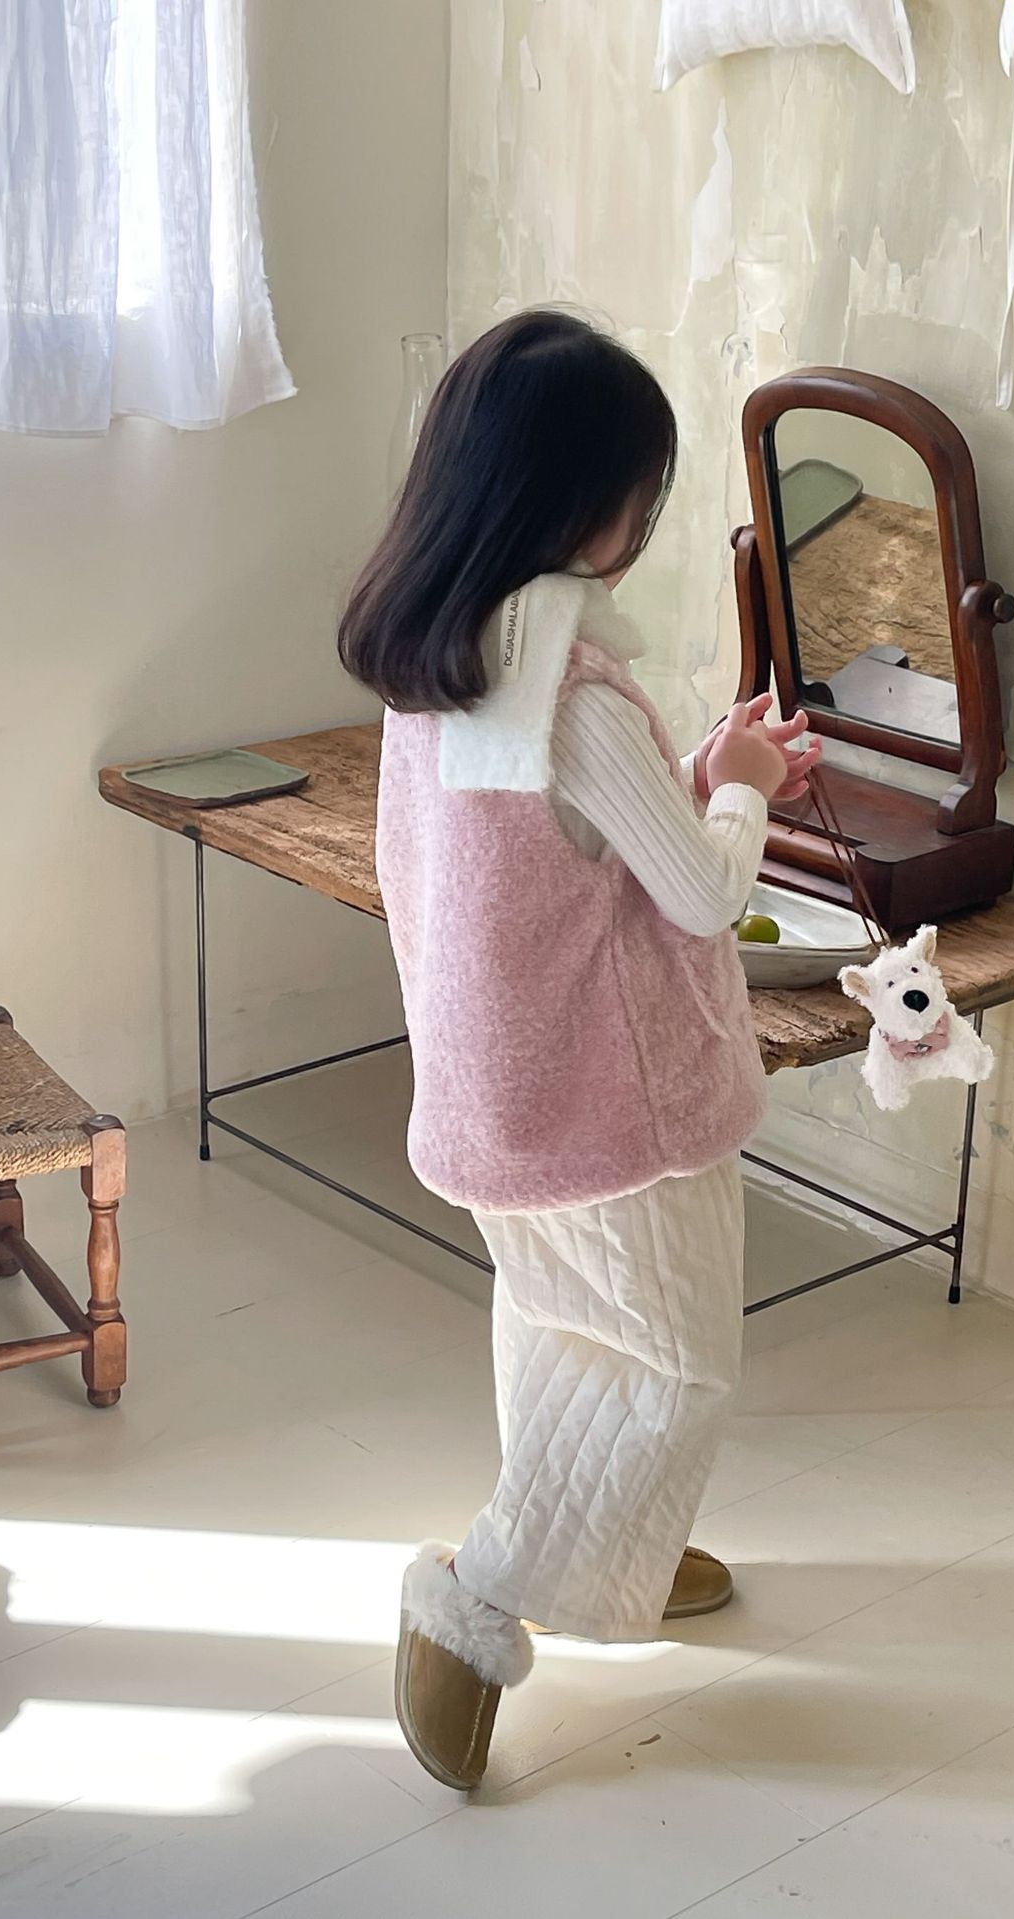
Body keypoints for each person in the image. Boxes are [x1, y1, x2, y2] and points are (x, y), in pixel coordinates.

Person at [338, 308, 820, 1792]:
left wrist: (692, 776)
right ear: (588, 501)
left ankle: (618, 1542)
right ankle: (482, 1598)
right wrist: (743, 786)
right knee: (676, 1362)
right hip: (616, 1102)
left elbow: (548, 850)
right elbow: (705, 896)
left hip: (500, 1090)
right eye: (641, 489)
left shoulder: (444, 656)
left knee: (562, 1325)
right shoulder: (578, 689)